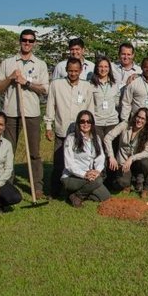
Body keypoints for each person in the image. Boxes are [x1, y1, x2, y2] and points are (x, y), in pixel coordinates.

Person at [0, 29, 50, 199]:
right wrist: (10, 78)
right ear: (20, 41)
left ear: (34, 43)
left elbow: (45, 89)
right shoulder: (8, 63)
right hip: (11, 113)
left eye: (30, 40)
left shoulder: (40, 64)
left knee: (34, 152)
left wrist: (27, 82)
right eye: (24, 40)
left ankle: (37, 187)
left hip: (31, 114)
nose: (27, 43)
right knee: (7, 151)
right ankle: (6, 184)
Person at [45, 57, 94, 197]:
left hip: (80, 132)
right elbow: (50, 106)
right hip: (62, 130)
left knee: (80, 162)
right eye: (70, 71)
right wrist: (48, 126)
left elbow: (89, 109)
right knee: (60, 162)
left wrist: (89, 129)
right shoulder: (56, 85)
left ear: (81, 71)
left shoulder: (87, 86)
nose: (73, 74)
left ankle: (76, 190)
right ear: (66, 70)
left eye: (76, 71)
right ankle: (55, 191)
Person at [120, 57, 148, 189]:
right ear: (141, 67)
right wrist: (124, 122)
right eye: (146, 67)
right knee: (137, 154)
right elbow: (126, 102)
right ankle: (138, 180)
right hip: (138, 126)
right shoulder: (134, 83)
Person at [62, 110, 109, 207]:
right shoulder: (71, 139)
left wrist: (97, 171)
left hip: (90, 176)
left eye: (89, 121)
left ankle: (74, 194)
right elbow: (69, 164)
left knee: (105, 197)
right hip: (72, 177)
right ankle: (77, 196)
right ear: (78, 123)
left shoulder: (96, 138)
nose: (85, 124)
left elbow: (100, 157)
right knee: (98, 181)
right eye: (82, 121)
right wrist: (84, 174)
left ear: (92, 123)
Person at [104, 108, 148, 197]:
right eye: (138, 117)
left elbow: (146, 152)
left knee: (147, 163)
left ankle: (146, 188)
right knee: (121, 182)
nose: (139, 120)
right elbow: (107, 138)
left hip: (136, 162)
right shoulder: (125, 125)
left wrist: (132, 158)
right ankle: (127, 184)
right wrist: (111, 156)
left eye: (143, 119)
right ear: (135, 117)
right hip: (123, 163)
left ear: (147, 121)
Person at [91, 56, 121, 141]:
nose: (103, 69)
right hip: (97, 122)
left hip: (112, 122)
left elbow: (117, 102)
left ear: (109, 68)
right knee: (99, 150)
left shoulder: (114, 85)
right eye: (100, 66)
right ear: (96, 68)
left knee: (111, 151)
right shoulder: (91, 85)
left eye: (106, 66)